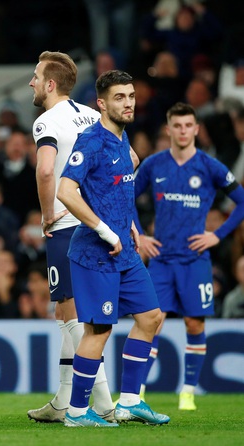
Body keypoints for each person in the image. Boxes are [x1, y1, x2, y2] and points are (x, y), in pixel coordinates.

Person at [56, 69, 170, 427]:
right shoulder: (91, 141)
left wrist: (133, 225)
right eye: (120, 98)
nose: (129, 103)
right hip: (95, 254)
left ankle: (130, 402)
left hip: (126, 252)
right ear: (101, 104)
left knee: (151, 317)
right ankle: (76, 412)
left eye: (132, 96)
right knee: (99, 331)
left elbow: (119, 187)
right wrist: (105, 230)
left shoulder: (123, 139)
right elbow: (65, 191)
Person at [134, 102, 244, 410]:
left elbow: (242, 202)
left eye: (188, 126)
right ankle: (137, 393)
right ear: (169, 130)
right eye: (177, 126)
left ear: (196, 129)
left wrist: (217, 235)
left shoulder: (210, 167)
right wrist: (140, 235)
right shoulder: (154, 164)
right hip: (161, 260)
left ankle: (187, 392)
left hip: (195, 261)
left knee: (194, 324)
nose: (183, 131)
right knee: (150, 323)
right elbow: (125, 197)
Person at [27, 51, 114, 423]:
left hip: (66, 227)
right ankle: (62, 401)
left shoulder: (46, 121)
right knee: (76, 313)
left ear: (50, 84)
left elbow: (46, 171)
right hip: (97, 224)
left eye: (35, 76)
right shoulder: (95, 116)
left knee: (68, 313)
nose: (31, 82)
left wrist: (47, 214)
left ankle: (106, 405)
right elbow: (130, 160)